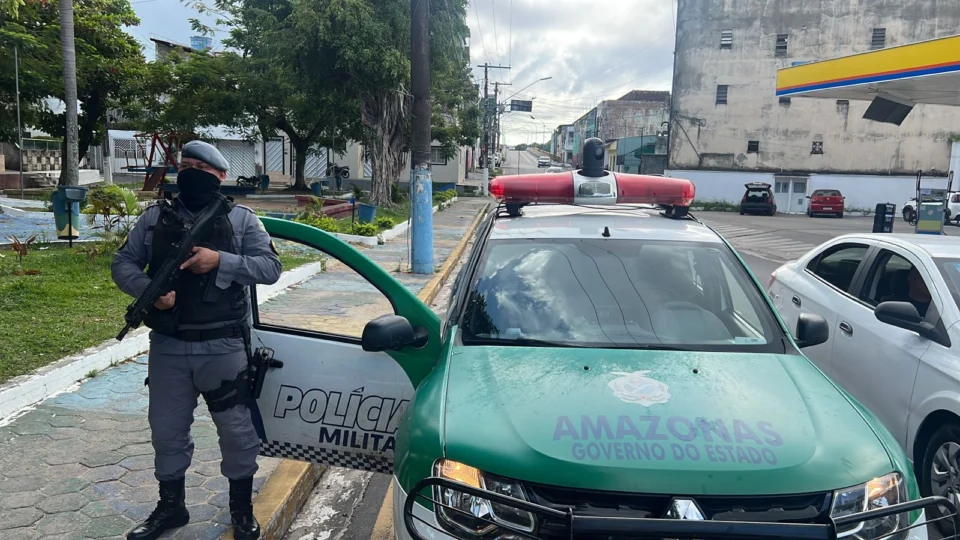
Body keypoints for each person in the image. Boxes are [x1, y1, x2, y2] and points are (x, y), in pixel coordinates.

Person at [111, 140, 282, 540]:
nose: (190, 171)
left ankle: (241, 510)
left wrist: (220, 260)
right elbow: (123, 263)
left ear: (220, 176)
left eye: (200, 168)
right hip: (169, 347)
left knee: (237, 433)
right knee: (166, 431)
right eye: (184, 165)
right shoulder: (154, 218)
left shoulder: (241, 220)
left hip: (222, 346)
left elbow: (271, 267)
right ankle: (171, 508)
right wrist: (150, 289)